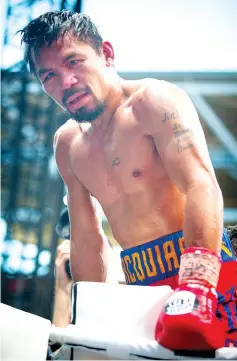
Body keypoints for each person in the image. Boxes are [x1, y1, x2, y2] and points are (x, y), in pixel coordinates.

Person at [19, 10, 237, 350]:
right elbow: (86, 235)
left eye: (73, 62)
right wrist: (87, 309)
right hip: (139, 291)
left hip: (210, 274)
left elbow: (200, 182)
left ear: (106, 54)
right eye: (49, 76)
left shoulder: (154, 102)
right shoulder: (68, 144)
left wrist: (197, 282)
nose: (65, 82)